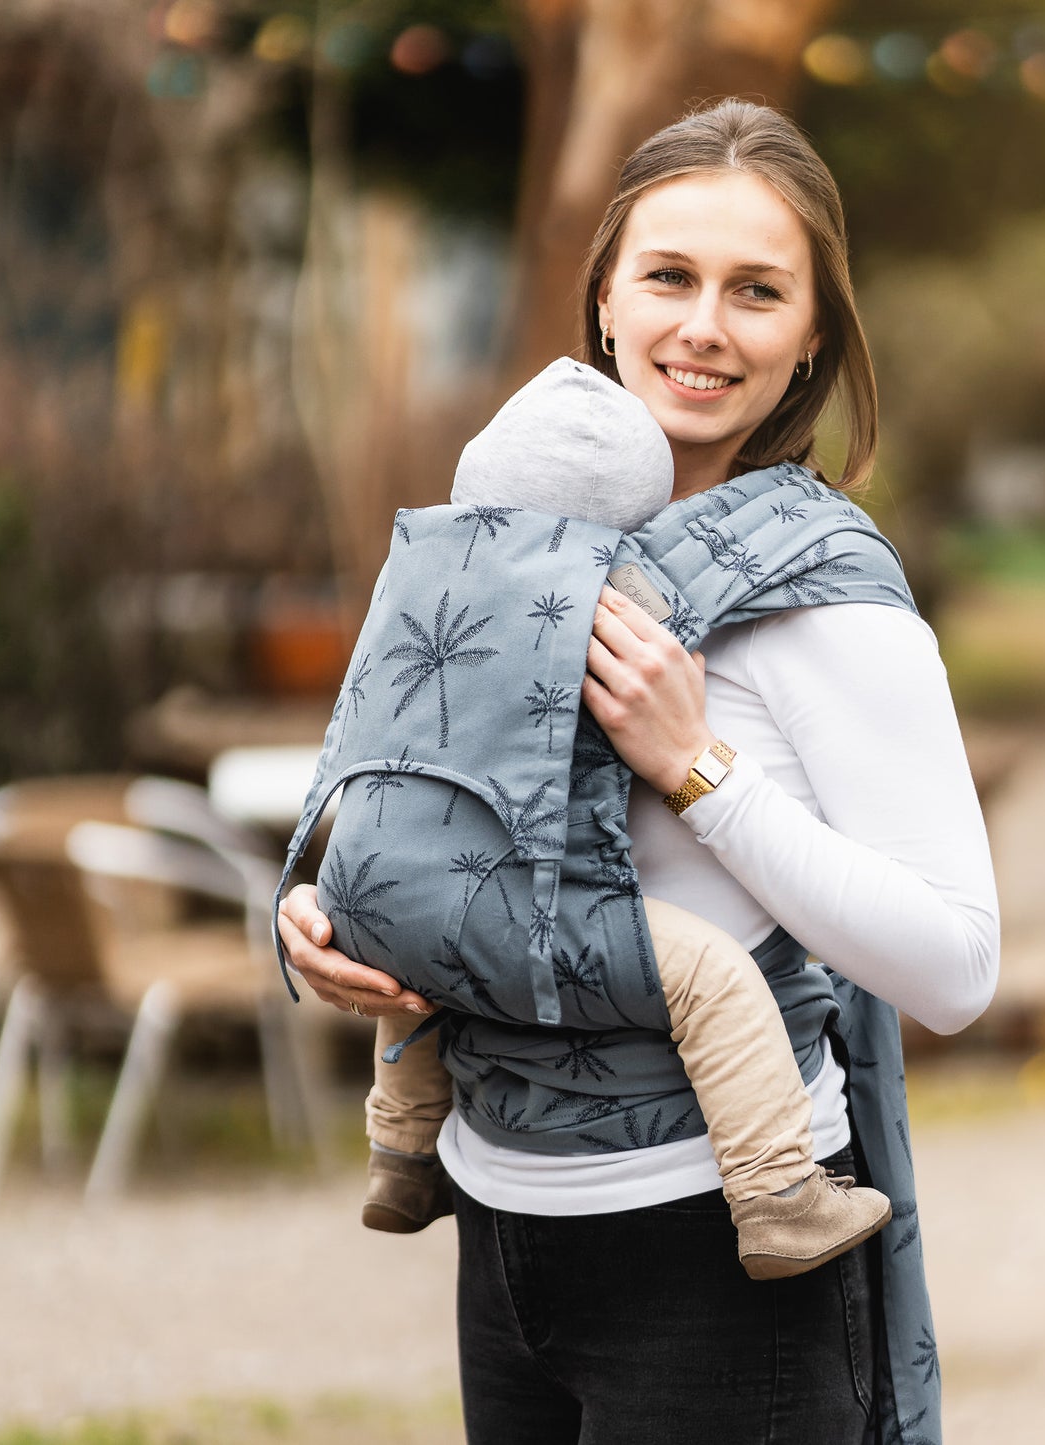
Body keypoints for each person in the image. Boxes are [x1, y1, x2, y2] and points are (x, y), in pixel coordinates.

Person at [277, 98, 998, 1445]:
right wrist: (318, 922)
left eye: (756, 292)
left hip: (721, 1257)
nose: (703, 327)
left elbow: (955, 966)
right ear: (604, 299)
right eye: (668, 276)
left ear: (812, 344)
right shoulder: (500, 550)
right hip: (497, 1226)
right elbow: (399, 789)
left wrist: (699, 767)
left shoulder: (828, 603)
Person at [333, 354, 891, 1278]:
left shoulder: (415, 572)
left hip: (381, 886)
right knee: (712, 978)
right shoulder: (616, 594)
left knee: (415, 970)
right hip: (526, 904)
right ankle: (779, 1194)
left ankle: (398, 1155)